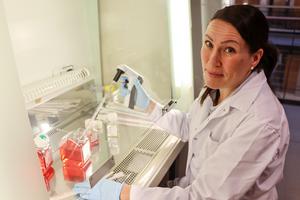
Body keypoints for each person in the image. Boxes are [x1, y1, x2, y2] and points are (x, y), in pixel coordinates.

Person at [73, 4, 290, 200]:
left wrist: (121, 192)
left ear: (255, 58)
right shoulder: (220, 86)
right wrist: (148, 106)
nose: (212, 60)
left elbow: (202, 197)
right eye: (209, 44)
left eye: (229, 50)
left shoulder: (261, 123)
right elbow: (193, 127)